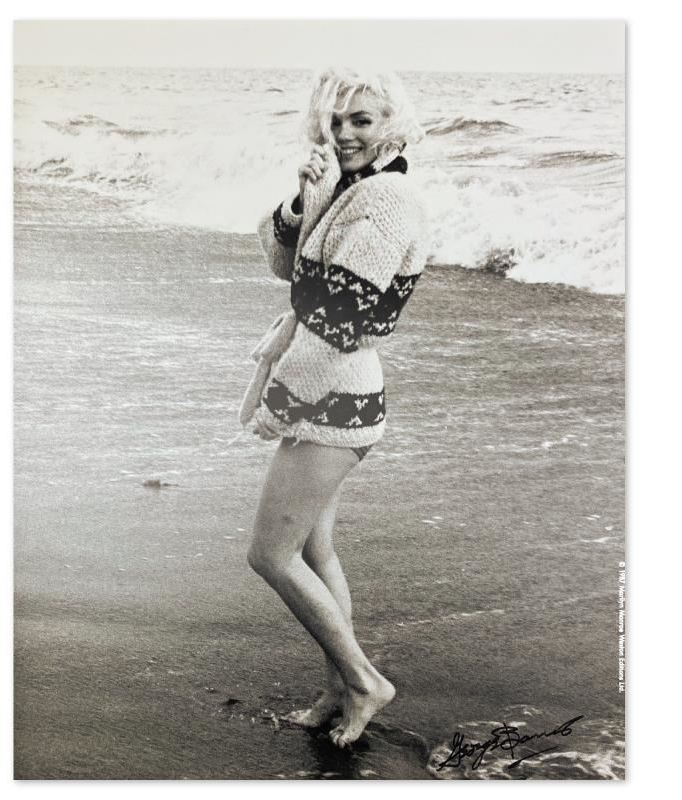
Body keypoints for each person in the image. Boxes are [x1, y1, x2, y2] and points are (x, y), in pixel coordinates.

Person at [243, 67, 428, 749]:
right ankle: (336, 690)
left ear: (392, 126)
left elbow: (338, 322)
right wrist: (304, 202)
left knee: (270, 555)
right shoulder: (355, 189)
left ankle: (364, 680)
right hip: (335, 388)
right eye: (336, 120)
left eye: (363, 120)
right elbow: (287, 270)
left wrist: (281, 403)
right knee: (315, 549)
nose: (345, 132)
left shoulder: (386, 202)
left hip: (332, 391)